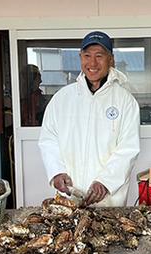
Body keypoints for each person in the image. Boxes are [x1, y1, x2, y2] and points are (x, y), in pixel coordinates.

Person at [38, 31, 140, 206]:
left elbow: (128, 148)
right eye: (87, 56)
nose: (92, 63)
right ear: (80, 57)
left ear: (111, 59)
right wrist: (56, 172)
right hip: (69, 197)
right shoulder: (63, 98)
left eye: (99, 56)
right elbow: (49, 139)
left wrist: (105, 182)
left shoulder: (125, 101)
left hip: (108, 201)